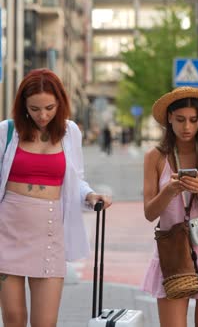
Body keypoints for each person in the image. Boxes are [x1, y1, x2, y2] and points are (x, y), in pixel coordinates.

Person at [0, 68, 112, 327]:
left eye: (49, 107)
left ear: (60, 102)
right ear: (23, 105)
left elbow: (76, 178)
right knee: (14, 319)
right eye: (34, 109)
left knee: (45, 322)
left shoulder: (70, 132)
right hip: (7, 232)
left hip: (50, 234)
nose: (42, 115)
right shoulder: (6, 131)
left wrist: (91, 194)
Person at [141, 86, 198, 327]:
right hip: (173, 254)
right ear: (169, 118)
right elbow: (150, 213)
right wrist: (169, 191)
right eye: (180, 119)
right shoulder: (156, 157)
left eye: (194, 120)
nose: (187, 127)